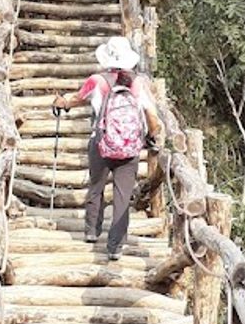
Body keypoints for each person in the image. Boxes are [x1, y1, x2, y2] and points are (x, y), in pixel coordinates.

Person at [53, 36, 163, 260]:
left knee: (96, 186)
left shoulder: (97, 80)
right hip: (129, 149)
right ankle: (115, 246)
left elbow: (75, 99)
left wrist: (61, 102)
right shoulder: (139, 83)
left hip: (100, 143)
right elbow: (153, 117)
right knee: (123, 196)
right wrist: (150, 136)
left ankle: (92, 231)